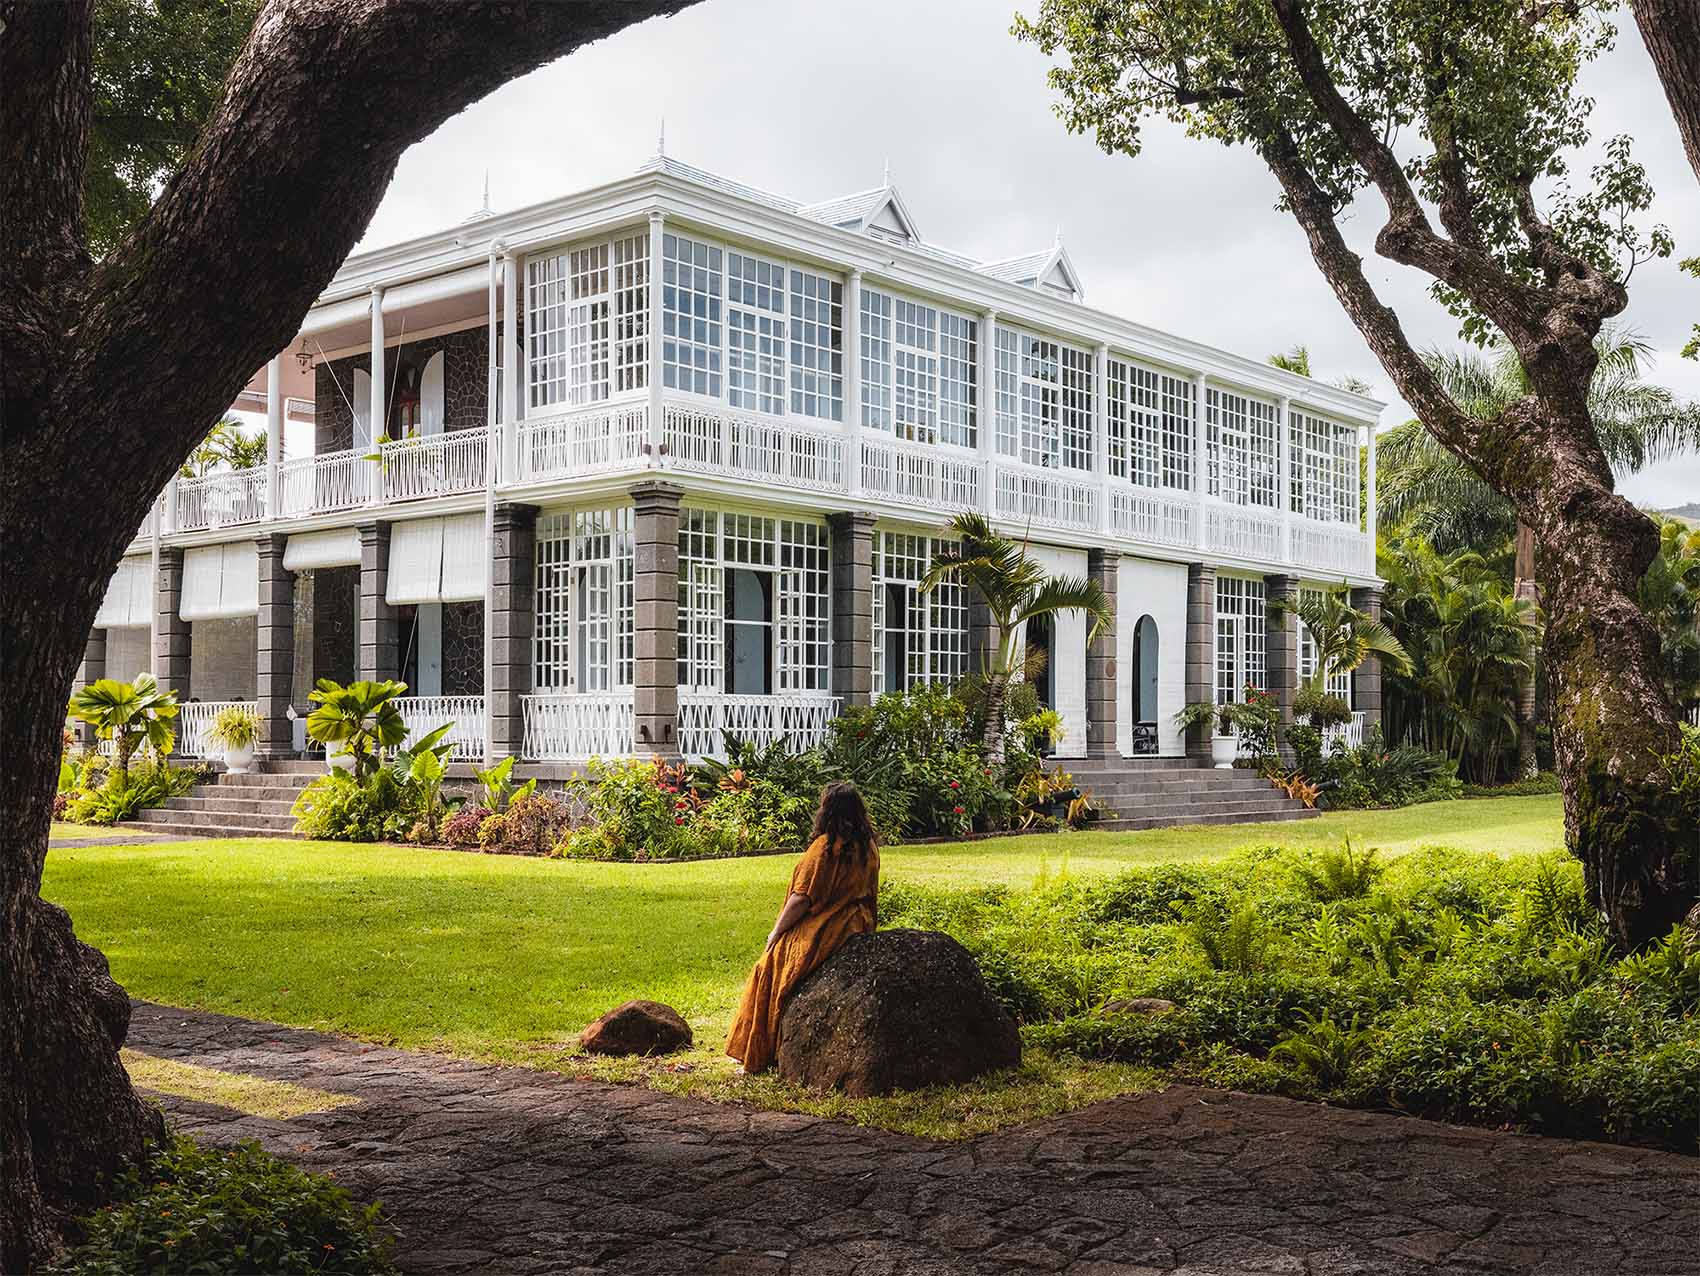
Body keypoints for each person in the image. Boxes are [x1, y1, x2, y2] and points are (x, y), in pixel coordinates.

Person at [726, 780, 880, 1074]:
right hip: (857, 923)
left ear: (827, 811)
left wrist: (776, 932)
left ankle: (755, 1055)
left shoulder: (824, 848)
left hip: (826, 925)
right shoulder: (868, 847)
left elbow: (801, 899)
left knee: (769, 968)